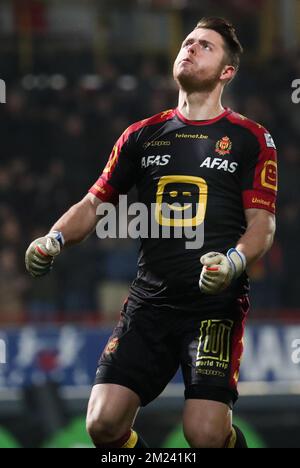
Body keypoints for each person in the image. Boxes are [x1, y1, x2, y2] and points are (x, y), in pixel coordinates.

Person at [25, 17, 277, 448]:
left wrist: (233, 262)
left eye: (206, 46)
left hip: (213, 305)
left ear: (227, 72)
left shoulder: (251, 139)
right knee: (102, 425)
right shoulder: (140, 136)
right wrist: (54, 239)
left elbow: (262, 224)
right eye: (189, 41)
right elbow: (92, 204)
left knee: (205, 434)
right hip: (150, 301)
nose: (191, 48)